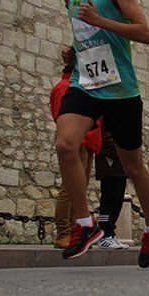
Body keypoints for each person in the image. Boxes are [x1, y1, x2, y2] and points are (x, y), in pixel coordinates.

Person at [56, 0, 149, 268]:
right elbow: (86, 33)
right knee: (65, 145)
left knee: (133, 166)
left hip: (120, 89)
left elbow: (144, 33)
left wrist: (101, 20)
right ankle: (86, 225)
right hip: (85, 84)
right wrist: (74, 52)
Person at [49, 61, 102, 249]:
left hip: (88, 142)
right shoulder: (65, 88)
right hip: (78, 141)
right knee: (69, 188)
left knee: (79, 188)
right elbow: (63, 117)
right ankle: (63, 231)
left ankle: (75, 230)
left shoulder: (77, 89)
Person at [95, 130, 128, 249]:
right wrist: (122, 153)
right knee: (108, 200)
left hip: (120, 167)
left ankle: (110, 235)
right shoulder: (107, 117)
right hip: (110, 164)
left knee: (117, 201)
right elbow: (105, 139)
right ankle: (104, 235)